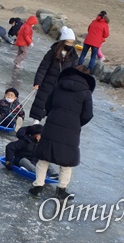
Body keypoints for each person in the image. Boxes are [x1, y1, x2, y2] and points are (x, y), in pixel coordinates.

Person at [29, 65, 94, 199]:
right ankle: (61, 190)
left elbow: (48, 104)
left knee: (44, 157)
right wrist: (76, 122)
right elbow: (88, 114)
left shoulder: (59, 85)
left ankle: (38, 186)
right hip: (71, 129)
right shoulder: (86, 93)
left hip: (52, 124)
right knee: (67, 161)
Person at [30, 26, 78, 124]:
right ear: (63, 41)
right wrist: (37, 82)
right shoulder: (52, 52)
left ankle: (47, 127)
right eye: (68, 42)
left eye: (71, 43)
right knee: (41, 104)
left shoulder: (73, 56)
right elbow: (43, 68)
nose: (70, 45)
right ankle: (35, 124)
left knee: (55, 107)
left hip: (61, 86)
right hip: (47, 83)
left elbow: (73, 72)